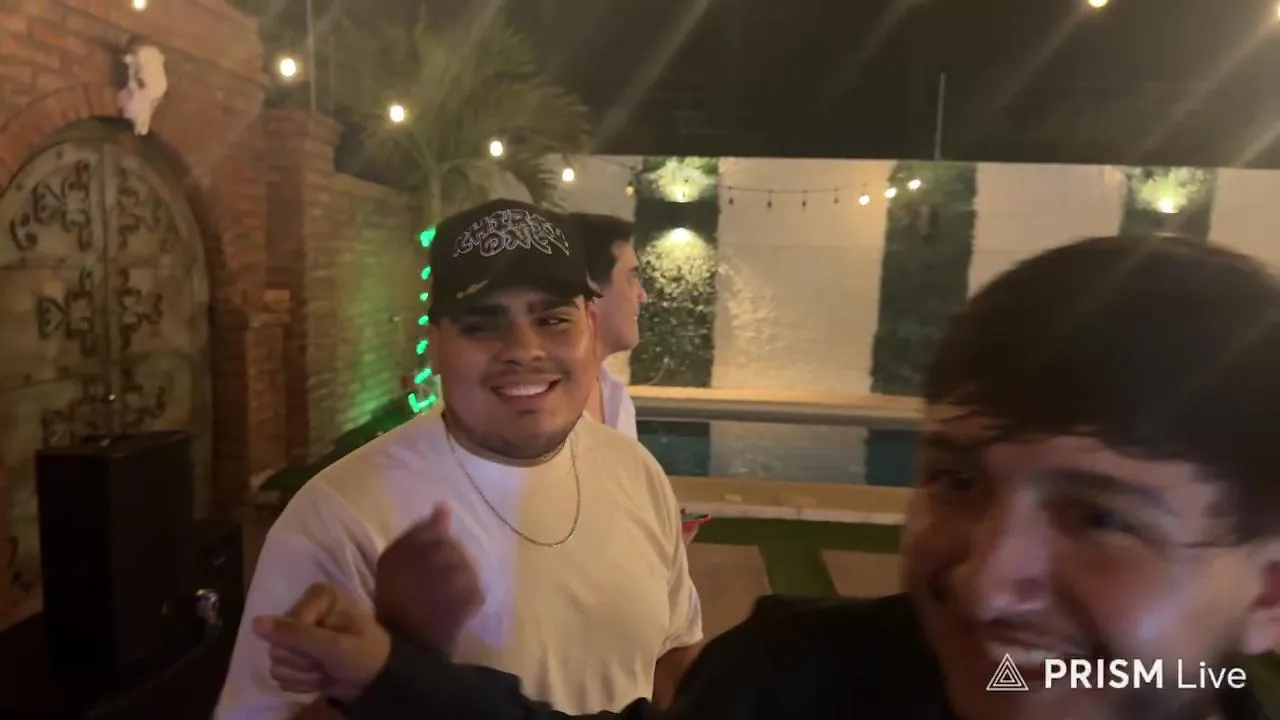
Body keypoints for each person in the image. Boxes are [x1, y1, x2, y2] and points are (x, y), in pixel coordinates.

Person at [253, 235, 1280, 720]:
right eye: (958, 483)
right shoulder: (809, 685)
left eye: (1098, 517)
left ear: (1268, 591)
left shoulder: (630, 470)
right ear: (435, 342)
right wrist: (392, 667)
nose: (983, 579)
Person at [215, 199, 702, 717]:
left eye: (554, 319)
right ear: (433, 345)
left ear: (590, 325)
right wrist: (398, 647)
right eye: (482, 325)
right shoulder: (338, 518)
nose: (524, 349)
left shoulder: (635, 471)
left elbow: (674, 657)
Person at [567, 213, 646, 440]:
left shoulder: (619, 401)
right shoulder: (540, 412)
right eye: (631, 278)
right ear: (591, 291)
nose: (642, 296)